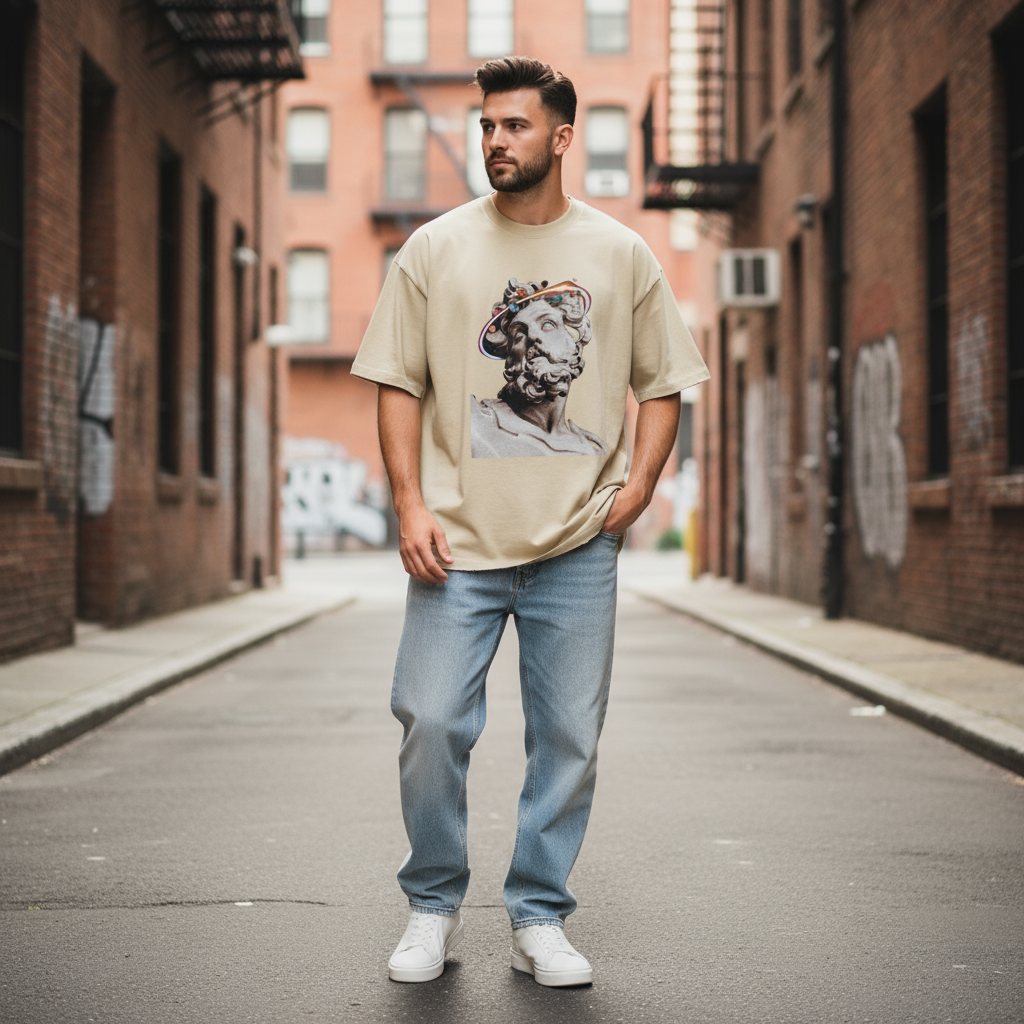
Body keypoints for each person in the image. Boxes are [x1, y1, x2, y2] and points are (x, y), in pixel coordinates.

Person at [351, 55, 709, 987]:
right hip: (456, 548)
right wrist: (410, 502)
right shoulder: (433, 248)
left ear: (559, 137)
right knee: (430, 721)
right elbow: (396, 381)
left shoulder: (620, 254)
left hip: (576, 551)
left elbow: (665, 384)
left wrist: (633, 491)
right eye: (485, 126)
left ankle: (538, 915)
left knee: (568, 742)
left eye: (512, 127)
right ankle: (432, 905)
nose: (494, 141)